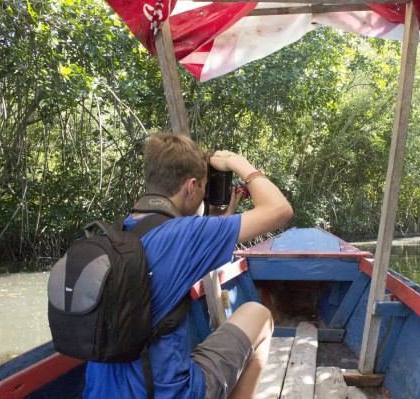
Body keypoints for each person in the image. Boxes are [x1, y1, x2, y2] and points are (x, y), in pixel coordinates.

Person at [83, 132, 293, 399]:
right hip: (168, 394)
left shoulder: (117, 234)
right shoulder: (185, 234)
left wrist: (220, 218)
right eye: (204, 187)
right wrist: (237, 162)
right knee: (258, 315)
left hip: (101, 393)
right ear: (192, 186)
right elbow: (280, 209)